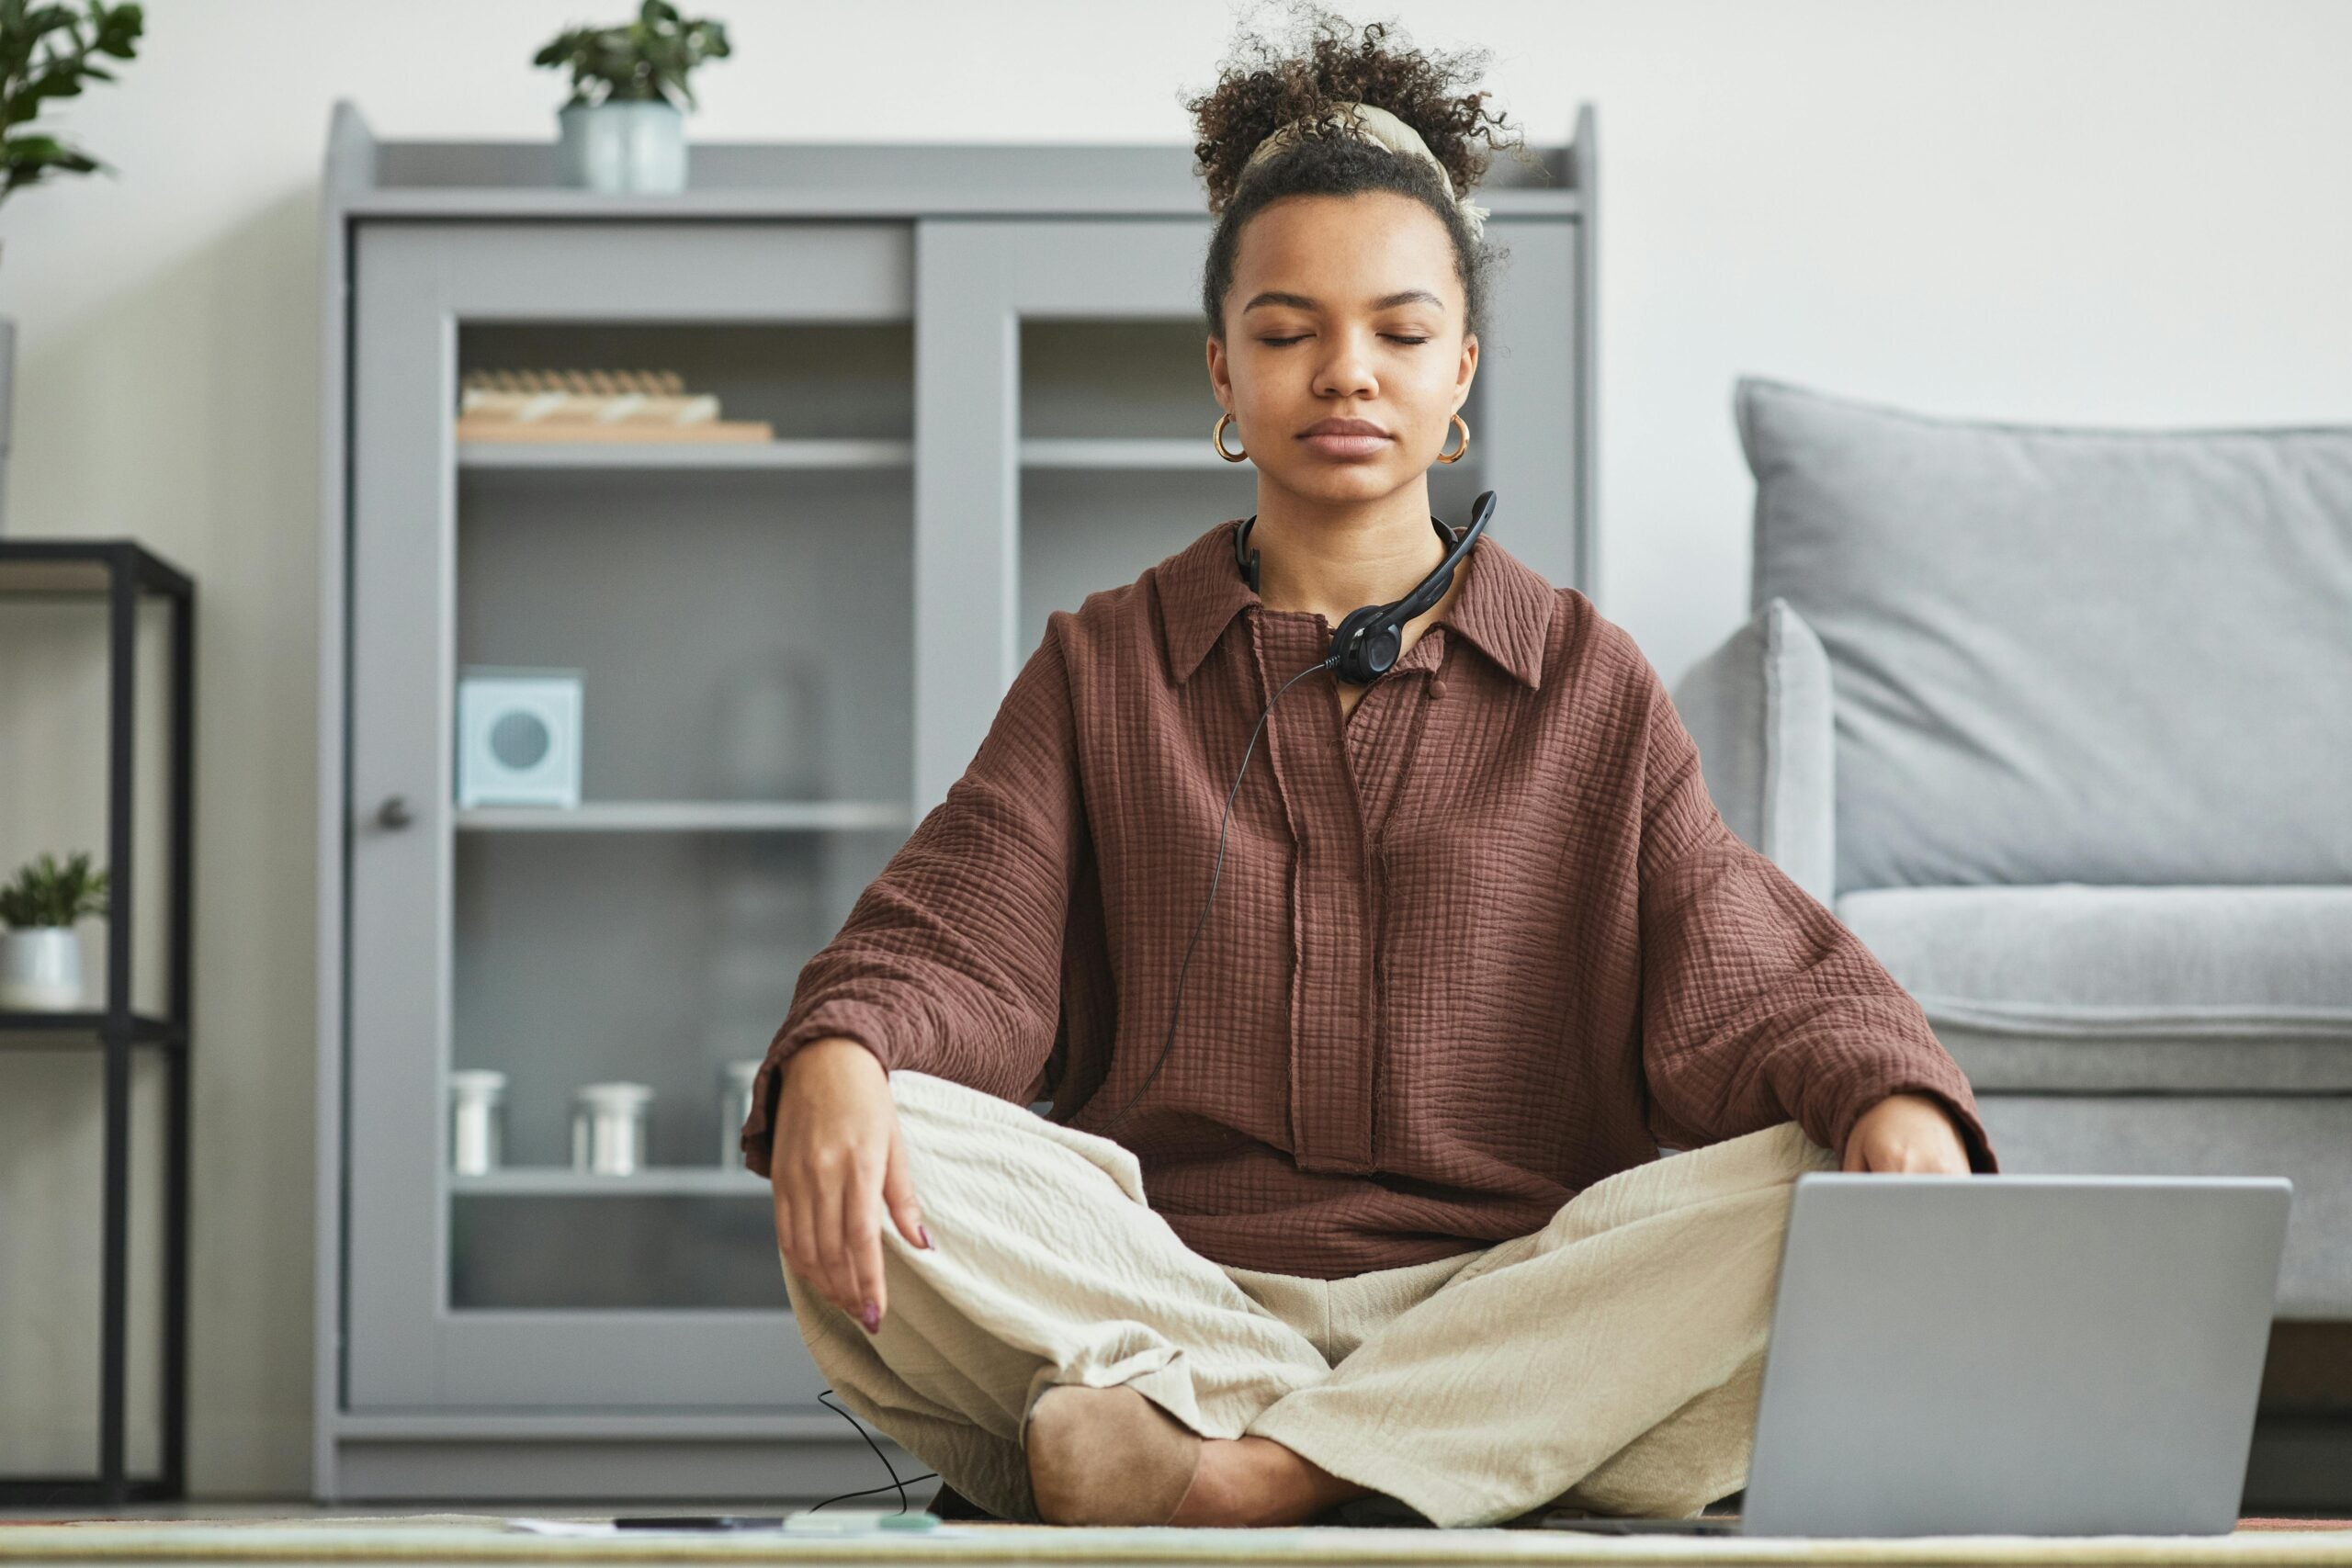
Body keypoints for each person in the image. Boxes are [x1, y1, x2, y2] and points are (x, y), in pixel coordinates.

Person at [738, 5, 1997, 1532]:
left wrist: (1890, 1098)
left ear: (1459, 367)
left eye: (1400, 334)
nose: (1347, 374)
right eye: (1287, 333)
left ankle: (1244, 1469)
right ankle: (1409, 1457)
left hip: (1513, 1298)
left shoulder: (1586, 678)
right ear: (1221, 368)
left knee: (1819, 1187)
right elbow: (958, 935)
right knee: (863, 1116)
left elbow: (1751, 968)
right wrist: (846, 1053)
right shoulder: (1101, 664)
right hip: (1173, 1289)